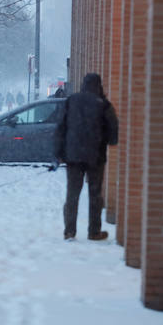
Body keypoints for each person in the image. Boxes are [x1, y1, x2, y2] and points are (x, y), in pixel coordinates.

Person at [53, 73, 118, 241]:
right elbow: (113, 134)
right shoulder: (104, 105)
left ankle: (69, 230)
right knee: (95, 194)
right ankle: (94, 231)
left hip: (73, 155)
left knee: (72, 194)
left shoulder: (71, 101)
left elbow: (61, 128)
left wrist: (58, 153)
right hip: (95, 156)